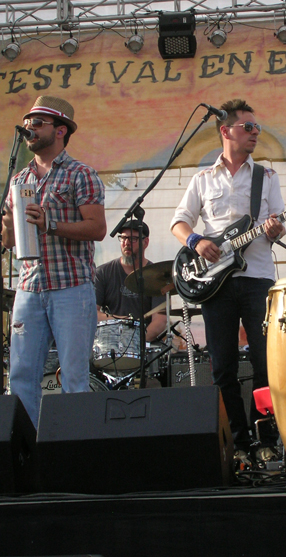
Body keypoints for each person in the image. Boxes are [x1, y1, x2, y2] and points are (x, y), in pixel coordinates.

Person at [170, 98, 285, 465]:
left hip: (256, 278)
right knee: (223, 366)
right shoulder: (202, 178)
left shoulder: (266, 177)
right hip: (215, 282)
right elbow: (179, 221)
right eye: (248, 127)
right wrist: (197, 242)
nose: (255, 133)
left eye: (257, 128)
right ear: (226, 131)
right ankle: (238, 441)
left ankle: (265, 438)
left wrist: (275, 227)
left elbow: (277, 221)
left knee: (267, 361)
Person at [2, 96, 106, 427]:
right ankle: (26, 456)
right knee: (20, 376)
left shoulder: (81, 174)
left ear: (60, 130)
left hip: (71, 287)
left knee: (73, 378)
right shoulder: (19, 180)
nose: (29, 128)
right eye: (27, 122)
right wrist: (6, 224)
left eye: (37, 123)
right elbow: (9, 241)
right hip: (29, 287)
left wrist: (50, 223)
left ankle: (72, 455)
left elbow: (97, 229)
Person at [95, 219, 167, 342]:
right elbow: (92, 313)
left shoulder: (157, 276)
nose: (126, 243)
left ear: (146, 242)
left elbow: (160, 321)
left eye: (133, 239)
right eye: (123, 238)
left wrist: (136, 343)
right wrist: (119, 320)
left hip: (144, 345)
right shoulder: (103, 273)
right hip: (111, 343)